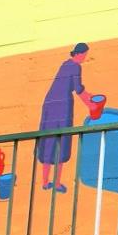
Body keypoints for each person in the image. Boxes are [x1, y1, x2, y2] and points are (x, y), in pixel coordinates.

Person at [35, 42, 94, 193]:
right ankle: (57, 183)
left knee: (48, 142)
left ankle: (44, 182)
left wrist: (89, 97)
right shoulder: (75, 66)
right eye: (84, 55)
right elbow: (79, 89)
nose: (85, 58)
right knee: (61, 143)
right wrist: (91, 104)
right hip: (62, 108)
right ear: (79, 54)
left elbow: (77, 88)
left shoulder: (65, 64)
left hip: (49, 105)